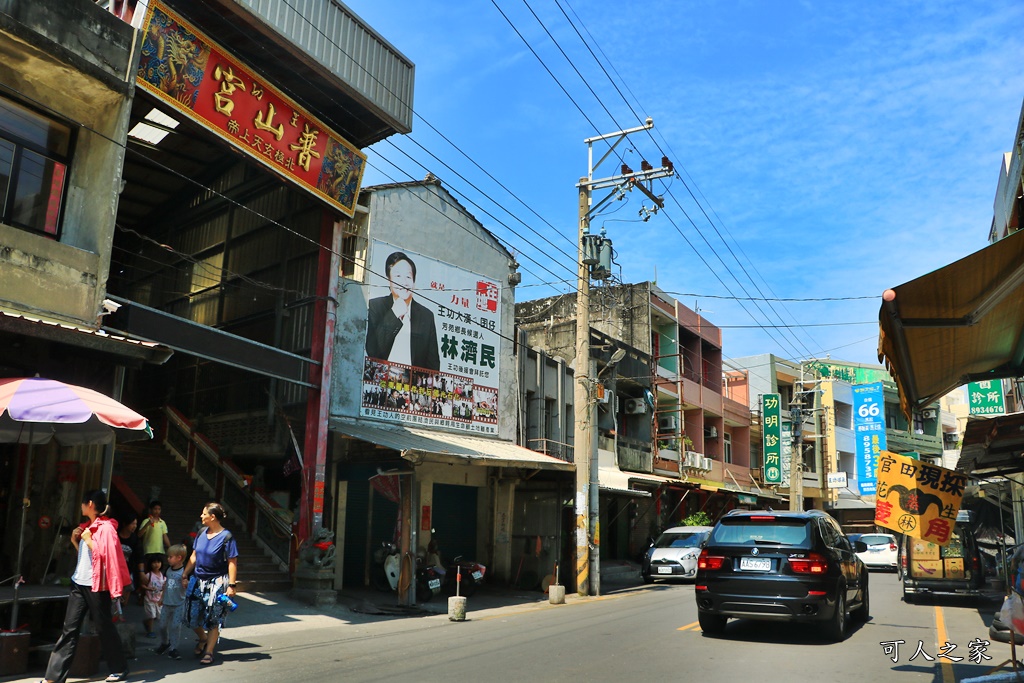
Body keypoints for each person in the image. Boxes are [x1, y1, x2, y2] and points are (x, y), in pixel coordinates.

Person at [42, 490, 130, 683]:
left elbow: (108, 558)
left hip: (97, 586)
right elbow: (88, 559)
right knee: (69, 630)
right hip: (78, 583)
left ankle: (119, 667)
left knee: (104, 627)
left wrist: (89, 540)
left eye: (83, 503)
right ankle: (53, 678)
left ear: (90, 504)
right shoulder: (87, 526)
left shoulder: (106, 528)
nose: (80, 506)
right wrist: (76, 541)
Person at [181, 502, 238, 666]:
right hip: (197, 580)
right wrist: (185, 573)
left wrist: (231, 585)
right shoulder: (201, 532)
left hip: (217, 582)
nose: (201, 516)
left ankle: (209, 651)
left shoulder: (227, 537)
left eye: (204, 513)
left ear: (212, 517)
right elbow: (194, 555)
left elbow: (232, 562)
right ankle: (203, 638)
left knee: (214, 618)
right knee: (190, 617)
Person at [365, 251, 440, 371]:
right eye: (398, 276)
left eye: (408, 277)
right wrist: (394, 314)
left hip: (413, 386)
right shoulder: (376, 306)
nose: (404, 282)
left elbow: (433, 365)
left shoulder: (426, 316)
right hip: (381, 383)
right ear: (389, 280)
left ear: (414, 282)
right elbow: (373, 352)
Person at [153, 544, 188, 660]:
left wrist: (185, 584)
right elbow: (166, 584)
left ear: (179, 558)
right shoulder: (168, 570)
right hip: (167, 603)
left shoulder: (184, 572)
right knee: (162, 625)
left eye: (170, 557)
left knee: (175, 626)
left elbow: (186, 587)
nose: (168, 559)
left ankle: (173, 648)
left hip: (179, 603)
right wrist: (162, 598)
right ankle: (165, 643)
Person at [141, 554, 165, 638]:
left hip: (158, 599)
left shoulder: (163, 575)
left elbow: (164, 586)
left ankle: (146, 622)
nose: (156, 564)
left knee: (158, 616)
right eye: (154, 562)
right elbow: (143, 585)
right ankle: (150, 631)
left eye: (158, 562)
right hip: (149, 599)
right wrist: (148, 588)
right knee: (152, 615)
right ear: (150, 564)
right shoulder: (149, 575)